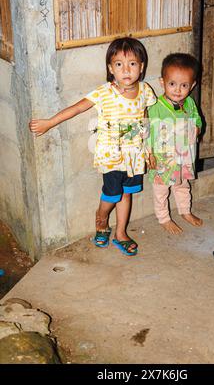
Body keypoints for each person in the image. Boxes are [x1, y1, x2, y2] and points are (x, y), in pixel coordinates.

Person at [29, 37, 156, 256]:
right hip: (112, 157)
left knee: (127, 195)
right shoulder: (104, 92)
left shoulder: (145, 91)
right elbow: (77, 109)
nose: (126, 70)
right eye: (119, 64)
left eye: (132, 64)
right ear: (110, 68)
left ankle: (121, 234)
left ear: (141, 66)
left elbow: (145, 119)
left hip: (135, 157)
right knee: (112, 195)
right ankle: (101, 219)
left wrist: (150, 150)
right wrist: (49, 122)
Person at [147, 53, 203, 235]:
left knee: (182, 185)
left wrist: (197, 127)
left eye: (184, 85)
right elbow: (147, 131)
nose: (178, 90)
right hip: (163, 157)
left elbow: (197, 119)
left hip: (184, 156)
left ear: (192, 85)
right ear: (162, 82)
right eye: (172, 84)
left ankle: (185, 211)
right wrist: (149, 154)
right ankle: (164, 218)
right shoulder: (155, 106)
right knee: (161, 190)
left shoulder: (190, 103)